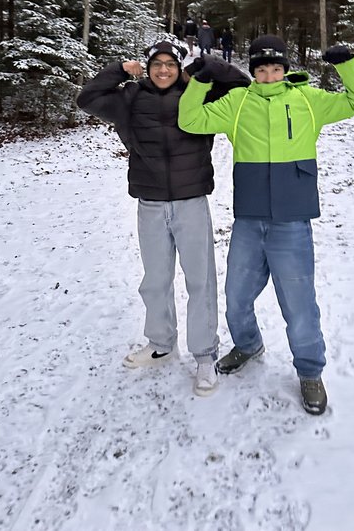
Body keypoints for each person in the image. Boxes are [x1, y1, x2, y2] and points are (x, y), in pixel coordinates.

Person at [178, 35, 354, 415]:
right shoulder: (237, 103)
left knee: (299, 306)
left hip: (292, 222)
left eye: (276, 69)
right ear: (253, 72)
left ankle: (310, 371)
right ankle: (248, 344)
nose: (269, 76)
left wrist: (346, 64)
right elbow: (190, 119)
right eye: (262, 70)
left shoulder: (308, 100)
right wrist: (200, 81)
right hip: (249, 221)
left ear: (285, 69)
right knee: (236, 297)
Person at [76, 39, 249, 396]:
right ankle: (161, 343)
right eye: (157, 64)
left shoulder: (198, 93)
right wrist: (118, 71)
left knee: (200, 280)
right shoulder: (130, 98)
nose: (164, 70)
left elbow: (240, 85)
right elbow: (88, 99)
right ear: (148, 67)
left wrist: (206, 66)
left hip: (191, 201)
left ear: (179, 67)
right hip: (151, 202)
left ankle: (204, 354)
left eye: (171, 64)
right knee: (155, 279)